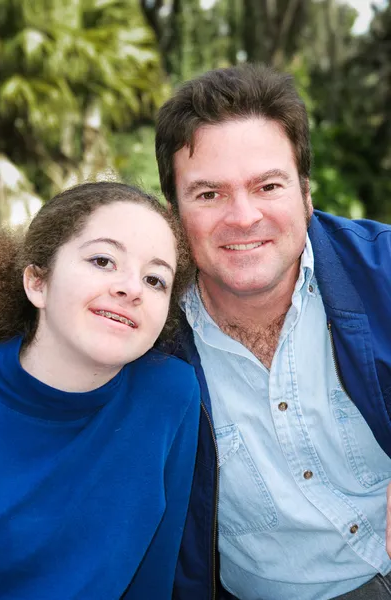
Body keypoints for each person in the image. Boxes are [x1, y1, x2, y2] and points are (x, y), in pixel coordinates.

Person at [155, 64, 391, 600]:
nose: (243, 217)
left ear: (306, 193)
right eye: (209, 194)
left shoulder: (383, 269)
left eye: (268, 185)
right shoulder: (145, 336)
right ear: (173, 213)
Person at [0, 181, 200, 599]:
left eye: (156, 280)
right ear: (37, 283)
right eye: (103, 260)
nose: (131, 288)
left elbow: (156, 575)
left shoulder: (171, 393)